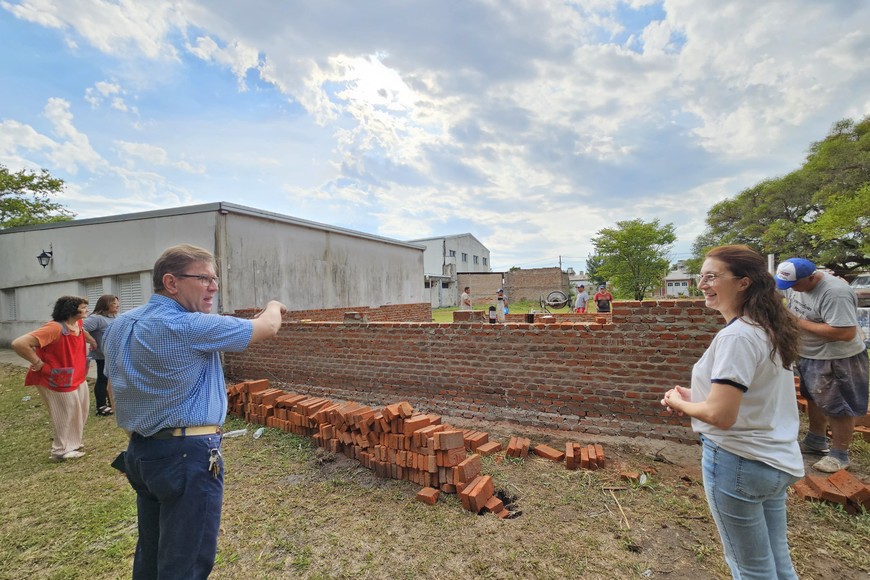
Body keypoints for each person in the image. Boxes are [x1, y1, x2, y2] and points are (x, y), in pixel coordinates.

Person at [102, 244, 287, 580]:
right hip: (187, 457)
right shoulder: (189, 326)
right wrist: (274, 305)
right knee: (185, 561)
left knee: (152, 551)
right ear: (171, 283)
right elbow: (268, 327)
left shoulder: (119, 326)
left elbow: (113, 387)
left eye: (214, 279)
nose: (214, 287)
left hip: (142, 453)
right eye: (204, 279)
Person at [662, 245, 804, 579]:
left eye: (711, 277)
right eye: (700, 277)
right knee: (778, 561)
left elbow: (722, 416)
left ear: (743, 282)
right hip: (773, 459)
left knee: (750, 568)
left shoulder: (737, 337)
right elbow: (752, 397)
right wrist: (698, 396)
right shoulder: (765, 328)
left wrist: (678, 402)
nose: (701, 285)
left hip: (739, 461)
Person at [775, 257, 869, 473]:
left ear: (812, 277)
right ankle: (816, 440)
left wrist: (797, 322)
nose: (791, 290)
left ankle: (839, 454)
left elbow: (845, 333)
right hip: (810, 354)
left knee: (839, 405)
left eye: (795, 285)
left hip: (838, 357)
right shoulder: (794, 283)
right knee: (814, 397)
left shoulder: (835, 293)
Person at [12, 296, 97, 461]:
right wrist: (39, 363)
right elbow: (19, 343)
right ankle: (60, 451)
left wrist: (91, 340)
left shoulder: (77, 323)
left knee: (80, 411)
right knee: (64, 414)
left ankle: (72, 444)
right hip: (57, 378)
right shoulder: (54, 328)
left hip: (76, 375)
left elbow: (82, 331)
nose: (87, 310)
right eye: (83, 307)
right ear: (71, 310)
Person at [83, 294, 119, 416]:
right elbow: (79, 328)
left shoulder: (114, 317)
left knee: (112, 379)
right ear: (105, 304)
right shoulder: (96, 318)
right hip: (102, 355)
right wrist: (92, 341)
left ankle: (111, 403)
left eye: (117, 303)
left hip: (114, 354)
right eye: (114, 303)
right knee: (103, 379)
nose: (117, 305)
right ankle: (101, 406)